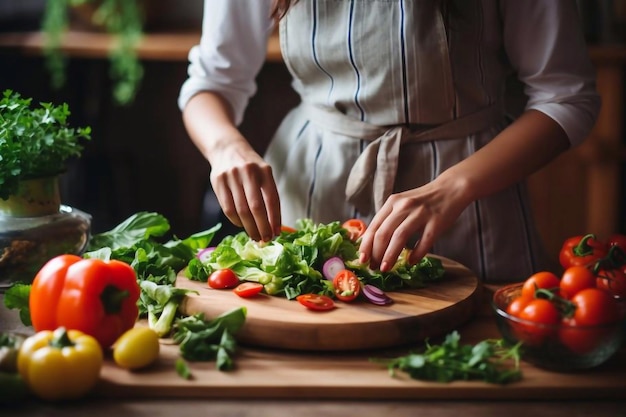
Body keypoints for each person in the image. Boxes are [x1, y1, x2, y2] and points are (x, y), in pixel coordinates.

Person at [178, 0, 600, 282]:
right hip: (309, 189)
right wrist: (226, 148)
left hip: (471, 207)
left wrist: (449, 189)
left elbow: (565, 97)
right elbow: (212, 82)